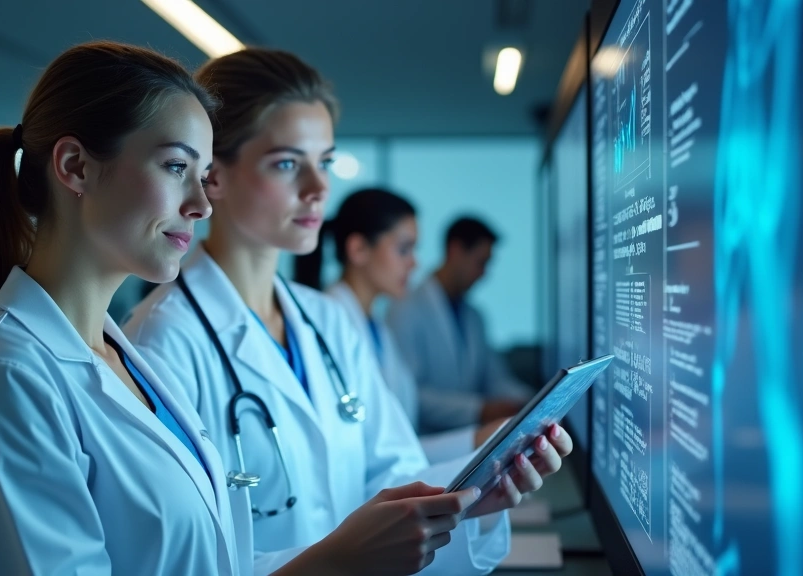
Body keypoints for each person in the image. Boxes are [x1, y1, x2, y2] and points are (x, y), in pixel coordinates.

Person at [0, 40, 477, 576]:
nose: (202, 203)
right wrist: (335, 564)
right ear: (75, 166)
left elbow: (211, 563)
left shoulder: (122, 359)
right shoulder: (1, 381)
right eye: (175, 167)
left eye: (201, 174)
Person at [122, 47, 573, 576]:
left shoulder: (327, 322)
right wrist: (336, 562)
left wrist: (477, 494)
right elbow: (178, 563)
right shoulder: (159, 345)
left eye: (325, 162)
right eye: (287, 164)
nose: (319, 189)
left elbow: (392, 471)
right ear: (213, 175)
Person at [295, 188, 506, 464]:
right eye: (404, 249)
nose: (414, 263)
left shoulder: (376, 326)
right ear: (358, 249)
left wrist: (478, 439)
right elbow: (368, 457)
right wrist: (475, 440)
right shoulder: (329, 327)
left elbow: (395, 443)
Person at [388, 217, 532, 434]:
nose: (484, 274)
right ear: (455, 251)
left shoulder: (474, 317)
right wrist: (479, 410)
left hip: (468, 439)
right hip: (426, 440)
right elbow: (409, 394)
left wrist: (532, 401)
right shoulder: (405, 309)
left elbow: (495, 379)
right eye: (480, 262)